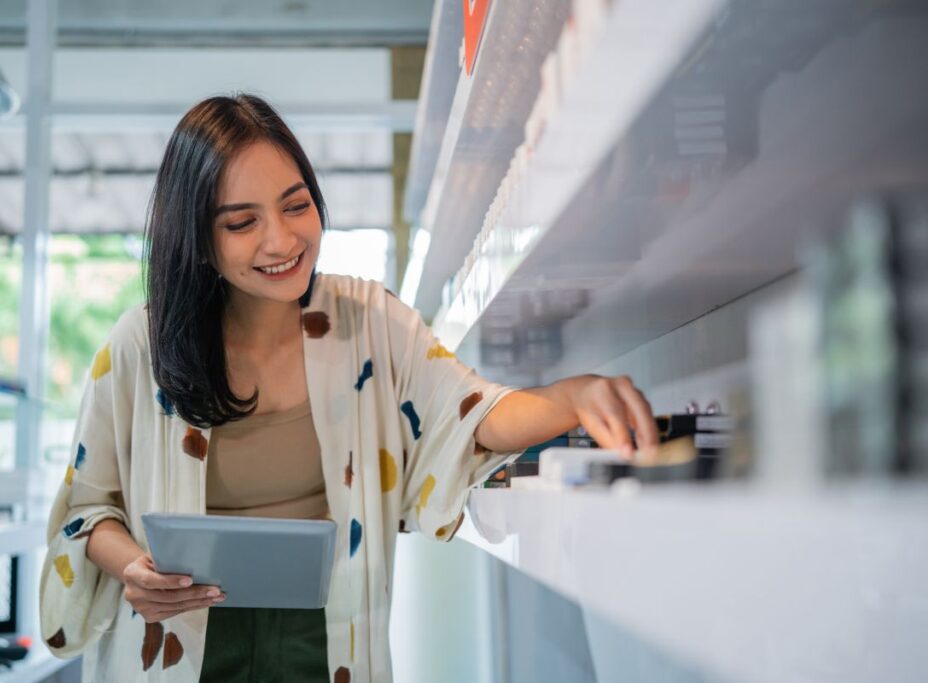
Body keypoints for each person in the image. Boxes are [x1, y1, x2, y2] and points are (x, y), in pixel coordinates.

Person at [39, 93, 658, 682]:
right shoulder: (141, 345)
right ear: (198, 240)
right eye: (241, 222)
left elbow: (472, 412)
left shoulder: (370, 322)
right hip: (180, 643)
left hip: (327, 637)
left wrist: (571, 398)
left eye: (295, 204)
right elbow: (86, 512)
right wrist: (135, 569)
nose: (281, 240)